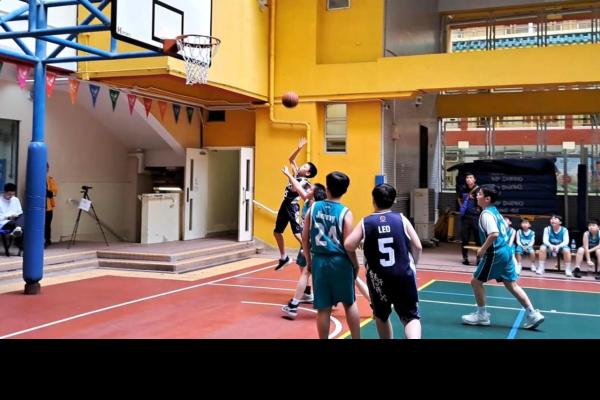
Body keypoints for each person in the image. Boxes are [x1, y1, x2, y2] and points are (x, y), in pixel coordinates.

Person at [461, 184, 545, 330]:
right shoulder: (495, 212)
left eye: (479, 194)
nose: (476, 196)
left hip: (496, 253)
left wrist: (482, 249)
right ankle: (533, 314)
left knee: (476, 282)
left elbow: (494, 233)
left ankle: (482, 315)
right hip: (506, 251)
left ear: (487, 199)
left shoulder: (486, 214)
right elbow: (503, 230)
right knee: (511, 284)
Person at [345, 183, 422, 339]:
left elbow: (348, 245)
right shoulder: (401, 219)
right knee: (411, 317)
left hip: (378, 278)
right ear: (393, 201)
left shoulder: (366, 222)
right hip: (403, 274)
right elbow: (418, 246)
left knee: (381, 316)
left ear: (373, 200)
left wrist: (364, 243)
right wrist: (414, 263)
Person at [302, 171, 361, 339]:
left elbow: (305, 237)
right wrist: (356, 264)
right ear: (345, 191)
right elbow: (349, 245)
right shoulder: (345, 212)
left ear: (326, 188)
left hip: (320, 261)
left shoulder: (313, 207)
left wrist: (309, 261)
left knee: (323, 308)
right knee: (349, 303)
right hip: (341, 261)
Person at [273, 137, 318, 270]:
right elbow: (291, 159)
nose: (301, 166)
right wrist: (299, 149)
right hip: (285, 204)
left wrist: (289, 175)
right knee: (277, 232)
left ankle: (310, 250)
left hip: (292, 206)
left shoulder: (303, 181)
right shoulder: (297, 174)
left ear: (307, 173)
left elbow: (294, 189)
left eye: (304, 166)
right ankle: (284, 257)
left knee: (297, 233)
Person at [457, 172, 481, 265]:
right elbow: (459, 198)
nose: (468, 179)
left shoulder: (478, 189)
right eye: (467, 177)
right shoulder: (463, 189)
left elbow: (482, 200)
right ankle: (465, 258)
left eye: (471, 177)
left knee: (478, 238)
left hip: (475, 217)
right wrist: (462, 206)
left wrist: (479, 208)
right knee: (464, 238)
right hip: (465, 217)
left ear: (474, 179)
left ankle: (479, 258)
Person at [0, 183, 24, 253]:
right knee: (22, 226)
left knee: (22, 216)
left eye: (12, 194)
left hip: (15, 220)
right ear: (5, 192)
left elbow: (20, 212)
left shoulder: (15, 199)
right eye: (9, 194)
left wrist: (15, 215)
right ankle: (18, 231)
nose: (11, 196)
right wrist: (8, 217)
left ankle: (18, 229)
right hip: (4, 222)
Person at [45, 163, 58, 248]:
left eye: (46, 168)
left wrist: (47, 192)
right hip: (38, 208)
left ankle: (47, 240)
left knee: (47, 225)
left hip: (48, 208)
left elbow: (54, 193)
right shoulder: (35, 178)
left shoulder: (50, 180)